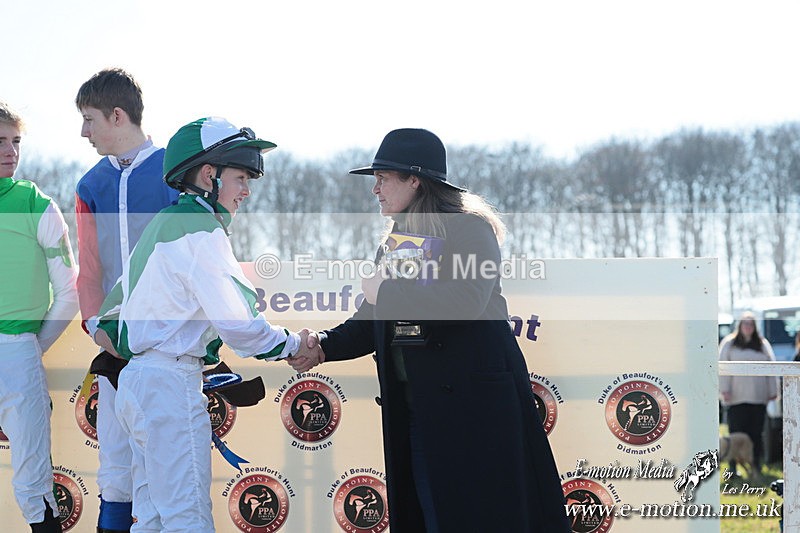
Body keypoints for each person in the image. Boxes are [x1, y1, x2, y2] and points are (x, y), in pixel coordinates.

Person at [289, 128, 570, 532]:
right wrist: (323, 347)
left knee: (486, 519)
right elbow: (372, 322)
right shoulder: (396, 241)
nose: (376, 190)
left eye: (383, 178)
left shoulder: (470, 228)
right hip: (418, 409)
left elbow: (465, 302)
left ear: (414, 179)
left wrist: (386, 290)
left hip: (476, 412)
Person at [94, 117, 314, 532]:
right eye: (241, 177)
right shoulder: (202, 232)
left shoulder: (162, 224)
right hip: (169, 386)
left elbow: (105, 323)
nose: (247, 190)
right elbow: (241, 327)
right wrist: (291, 344)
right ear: (209, 174)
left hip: (138, 385)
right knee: (187, 519)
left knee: (153, 518)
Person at [74, 67, 178, 533]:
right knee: (115, 475)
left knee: (165, 478)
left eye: (89, 119)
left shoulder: (176, 174)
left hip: (167, 352)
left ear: (118, 116)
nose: (83, 131)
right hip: (113, 351)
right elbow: (89, 270)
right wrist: (98, 327)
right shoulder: (89, 185)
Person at [0, 101, 79, 532]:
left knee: (34, 487)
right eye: (0, 141)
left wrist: (31, 346)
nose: (10, 151)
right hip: (19, 355)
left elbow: (68, 293)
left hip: (18, 356)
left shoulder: (36, 203)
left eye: (15, 141)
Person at [719, 312, 779, 474]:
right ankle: (732, 469)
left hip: (758, 397)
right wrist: (724, 390)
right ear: (739, 325)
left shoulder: (762, 344)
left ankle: (756, 466)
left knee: (755, 435)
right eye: (745, 323)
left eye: (750, 324)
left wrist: (773, 391)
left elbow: (772, 367)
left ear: (754, 326)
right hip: (736, 398)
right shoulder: (729, 343)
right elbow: (721, 367)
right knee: (735, 435)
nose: (747, 327)